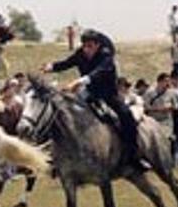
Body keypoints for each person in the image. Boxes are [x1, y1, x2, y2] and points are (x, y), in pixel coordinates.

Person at [43, 29, 148, 170]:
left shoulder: (106, 56)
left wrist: (79, 82)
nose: (86, 49)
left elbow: (98, 72)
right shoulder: (80, 53)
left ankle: (134, 156)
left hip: (108, 94)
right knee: (64, 113)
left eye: (90, 46)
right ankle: (58, 155)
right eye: (84, 45)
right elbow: (67, 63)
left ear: (97, 45)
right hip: (89, 93)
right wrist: (51, 67)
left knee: (126, 115)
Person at [144, 73, 178, 157]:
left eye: (168, 81)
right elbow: (145, 107)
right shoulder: (150, 93)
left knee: (165, 138)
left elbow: (176, 106)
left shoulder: (172, 93)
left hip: (166, 121)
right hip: (153, 120)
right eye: (165, 81)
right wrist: (157, 109)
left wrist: (170, 108)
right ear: (159, 82)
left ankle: (167, 157)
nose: (167, 83)